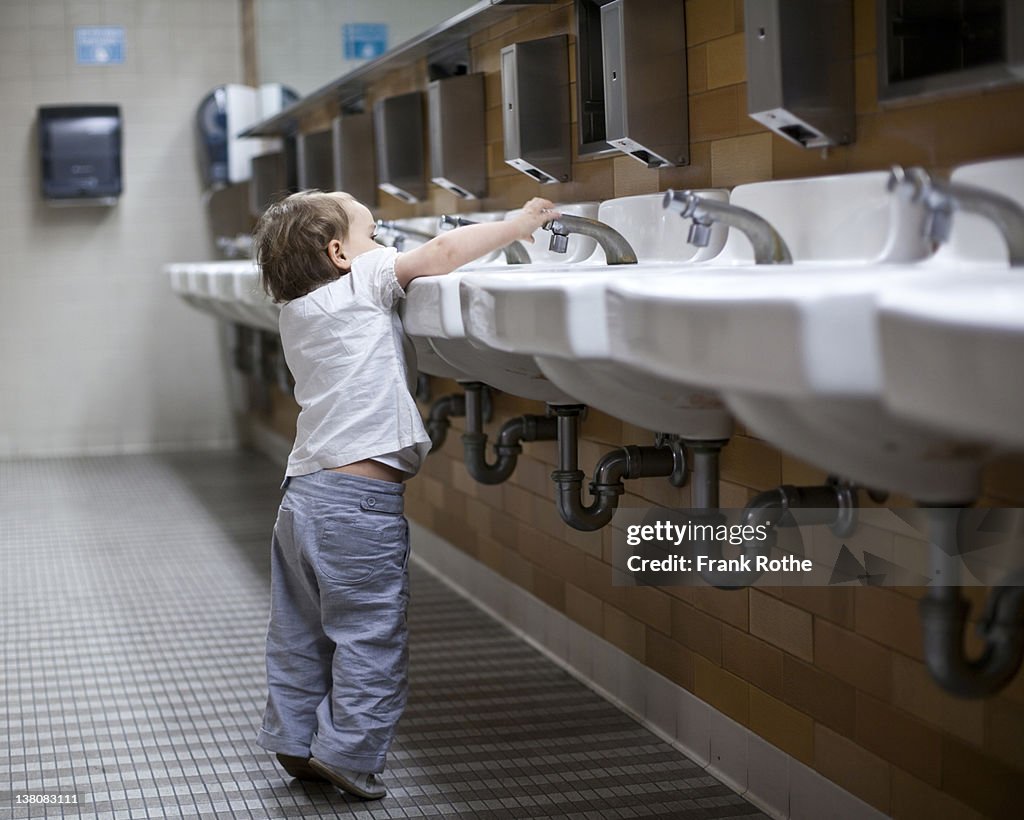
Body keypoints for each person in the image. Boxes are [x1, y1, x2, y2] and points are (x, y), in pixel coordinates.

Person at [252, 190, 558, 800]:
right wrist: (520, 224)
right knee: (369, 633)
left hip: (302, 498)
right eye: (374, 233)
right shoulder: (363, 278)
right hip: (357, 506)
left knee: (298, 628)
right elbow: (442, 252)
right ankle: (352, 755)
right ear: (340, 254)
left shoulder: (297, 311)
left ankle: (293, 739)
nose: (386, 245)